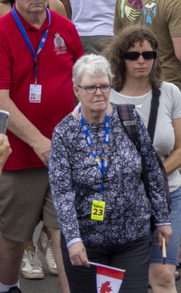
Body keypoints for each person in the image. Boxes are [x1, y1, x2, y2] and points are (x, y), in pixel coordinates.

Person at [0, 0, 83, 293]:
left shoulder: (64, 28)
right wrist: (40, 142)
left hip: (63, 152)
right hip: (17, 154)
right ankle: (6, 286)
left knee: (65, 231)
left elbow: (81, 82)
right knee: (14, 235)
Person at [47, 52, 172, 293]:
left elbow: (153, 171)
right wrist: (73, 240)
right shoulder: (64, 133)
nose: (99, 93)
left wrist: (162, 218)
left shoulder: (129, 118)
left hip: (133, 238)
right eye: (91, 87)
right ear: (77, 91)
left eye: (104, 86)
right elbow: (62, 193)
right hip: (87, 243)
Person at [104, 24, 181, 293]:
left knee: (164, 274)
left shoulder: (170, 92)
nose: (141, 61)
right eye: (132, 56)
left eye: (147, 55)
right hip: (120, 200)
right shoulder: (106, 96)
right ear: (121, 59)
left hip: (166, 196)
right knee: (125, 277)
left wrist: (152, 177)